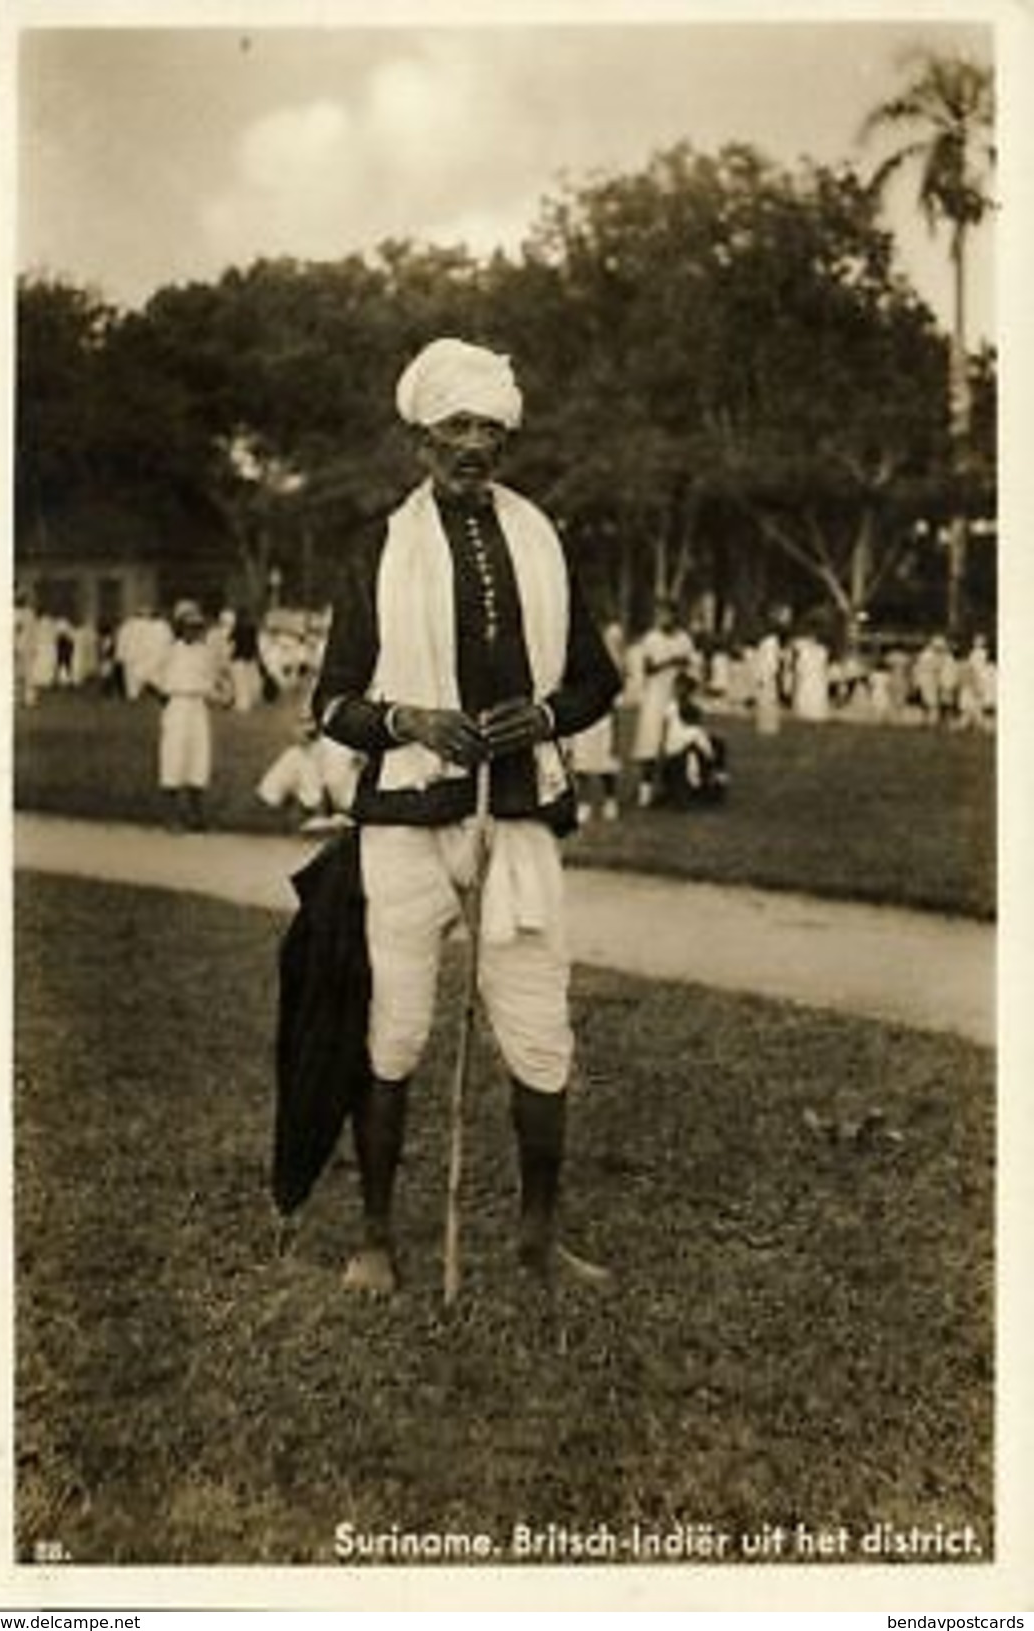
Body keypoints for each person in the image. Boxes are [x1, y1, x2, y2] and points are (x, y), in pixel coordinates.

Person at [311, 336, 621, 1294]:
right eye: (456, 426)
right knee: (394, 1030)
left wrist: (546, 714)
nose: (474, 443)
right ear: (421, 439)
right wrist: (410, 719)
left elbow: (596, 681)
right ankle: (375, 1238)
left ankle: (536, 1239)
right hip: (405, 815)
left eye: (490, 426)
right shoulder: (379, 547)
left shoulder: (542, 539)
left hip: (517, 812)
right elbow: (331, 702)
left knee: (538, 1029)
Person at [149, 599, 232, 832]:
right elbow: (150, 678)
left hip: (198, 707)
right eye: (188, 626)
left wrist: (223, 697)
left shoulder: (205, 653)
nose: (194, 631)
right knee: (173, 758)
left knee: (199, 759)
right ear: (179, 627)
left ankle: (197, 817)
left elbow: (215, 682)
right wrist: (165, 699)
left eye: (197, 627)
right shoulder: (169, 651)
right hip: (177, 705)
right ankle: (171, 817)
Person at [631, 598, 697, 806]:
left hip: (676, 696)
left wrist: (684, 682)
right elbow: (648, 668)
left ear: (676, 615)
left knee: (676, 743)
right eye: (660, 614)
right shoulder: (651, 638)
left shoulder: (685, 639)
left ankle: (673, 789)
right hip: (655, 695)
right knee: (649, 741)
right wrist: (671, 661)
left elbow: (692, 672)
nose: (663, 618)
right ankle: (645, 791)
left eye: (667, 614)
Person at [568, 618, 626, 823]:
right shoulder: (576, 662)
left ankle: (610, 801)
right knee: (582, 766)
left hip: (603, 720)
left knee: (606, 765)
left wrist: (617, 736)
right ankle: (584, 803)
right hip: (584, 720)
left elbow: (615, 702)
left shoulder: (609, 666)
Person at [658, 670, 729, 807]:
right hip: (681, 755)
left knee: (709, 746)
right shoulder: (694, 730)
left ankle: (690, 787)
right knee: (714, 748)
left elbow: (665, 730)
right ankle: (714, 783)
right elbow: (709, 753)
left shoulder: (671, 708)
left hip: (671, 753)